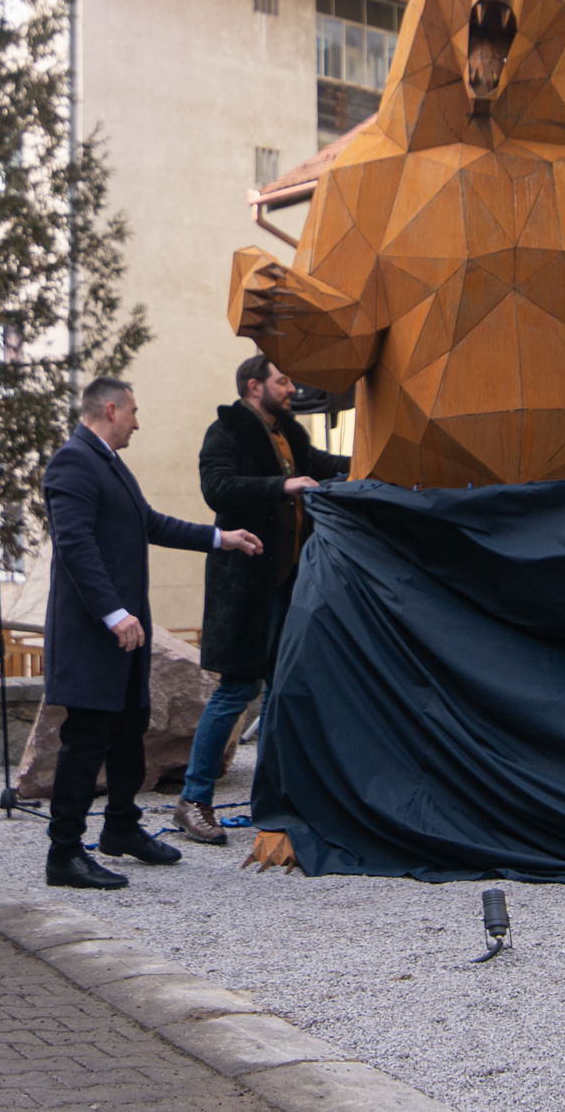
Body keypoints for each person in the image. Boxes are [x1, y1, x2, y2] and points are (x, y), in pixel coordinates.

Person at [40, 377, 262, 889]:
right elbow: (74, 546)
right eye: (134, 412)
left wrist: (219, 539)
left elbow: (150, 524)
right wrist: (113, 614)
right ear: (111, 409)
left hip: (124, 633)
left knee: (127, 734)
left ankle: (120, 829)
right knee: (86, 739)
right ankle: (65, 854)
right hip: (95, 633)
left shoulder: (110, 464)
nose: (139, 423)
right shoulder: (72, 461)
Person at [176, 356, 347, 845]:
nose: (292, 387)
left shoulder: (287, 433)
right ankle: (194, 799)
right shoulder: (227, 430)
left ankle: (271, 799)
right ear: (255, 386)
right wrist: (282, 485)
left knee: (279, 689)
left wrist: (372, 458)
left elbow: (323, 466)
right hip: (245, 585)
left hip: (285, 583)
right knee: (235, 690)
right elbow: (218, 489)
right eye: (282, 380)